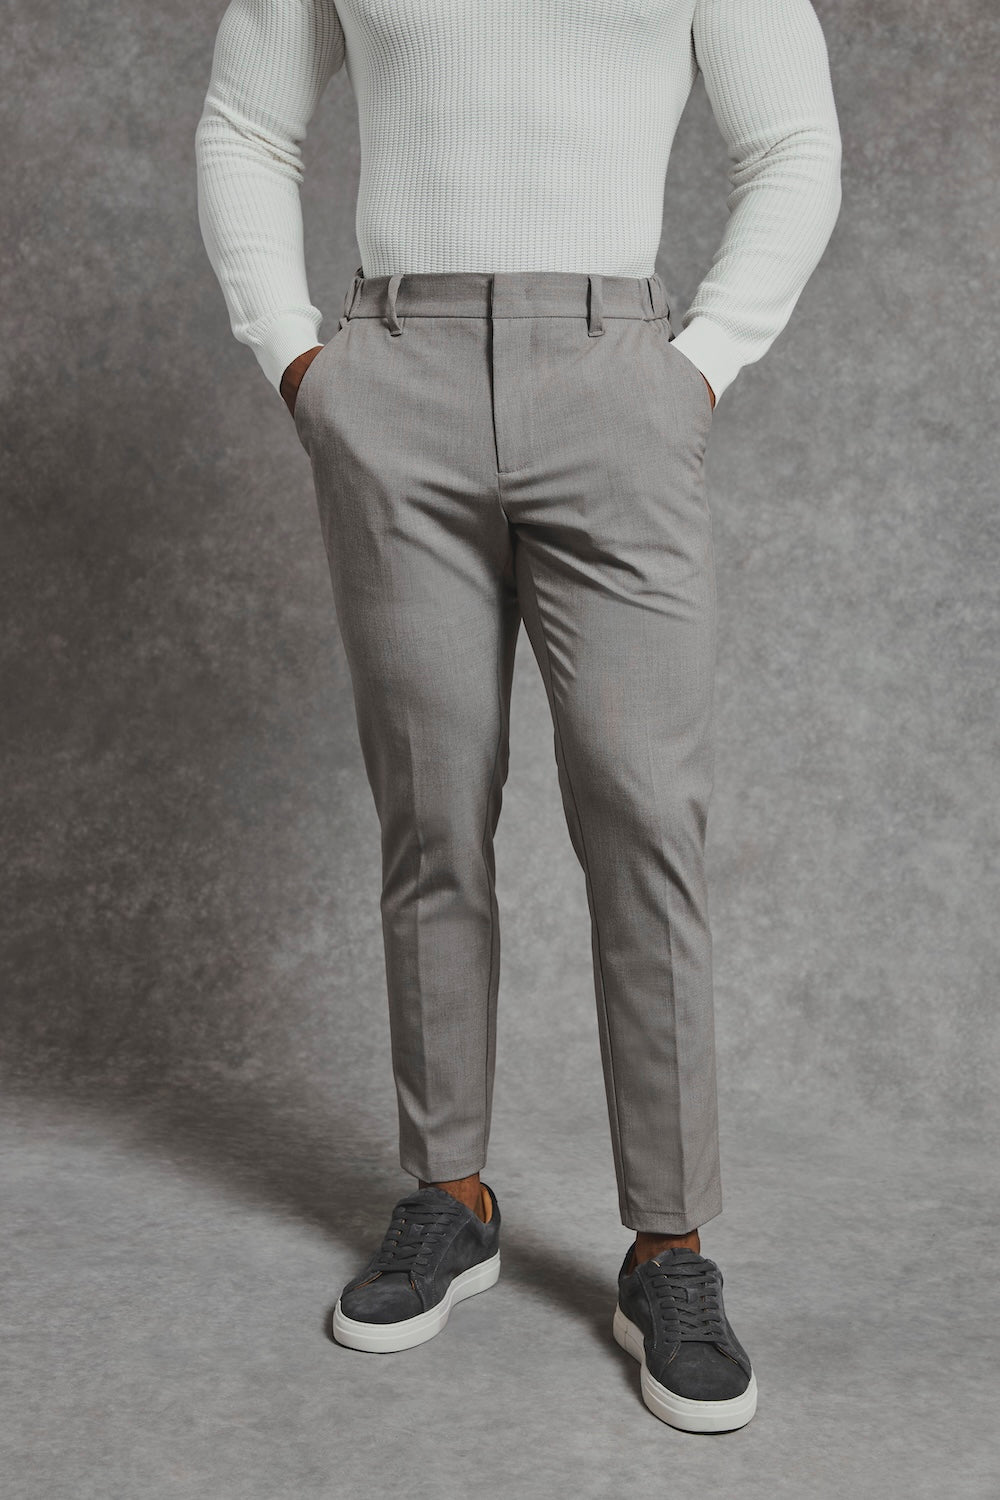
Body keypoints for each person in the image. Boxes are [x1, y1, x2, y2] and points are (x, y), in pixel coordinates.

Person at [195, 0, 841, 1433]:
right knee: (431, 811)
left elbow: (794, 141)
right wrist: (299, 360)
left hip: (617, 380)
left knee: (643, 814)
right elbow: (246, 124)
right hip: (395, 376)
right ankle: (451, 1197)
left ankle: (667, 1248)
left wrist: (700, 364)